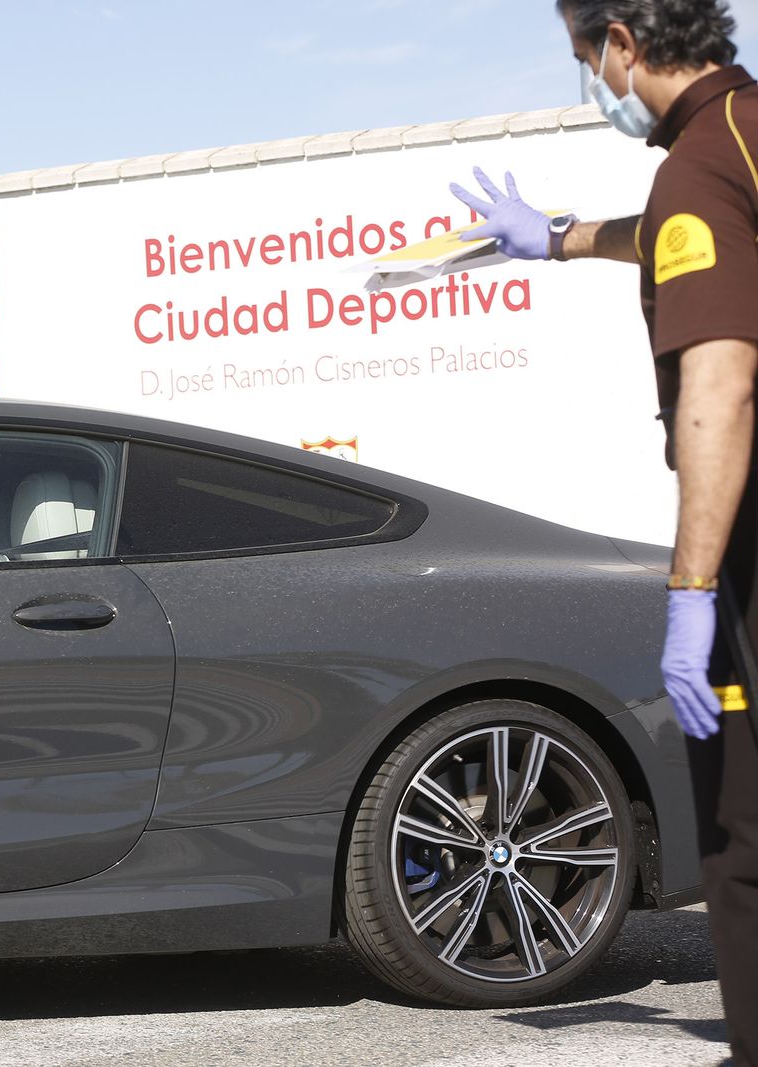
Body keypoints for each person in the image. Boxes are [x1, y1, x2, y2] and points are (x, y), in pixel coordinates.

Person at [451, 3, 756, 1060]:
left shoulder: (698, 170)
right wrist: (566, 240)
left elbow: (719, 382)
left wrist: (689, 591)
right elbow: (675, 242)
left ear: (623, 39)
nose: (594, 79)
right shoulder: (741, 140)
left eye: (585, 58)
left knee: (741, 833)